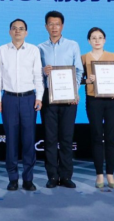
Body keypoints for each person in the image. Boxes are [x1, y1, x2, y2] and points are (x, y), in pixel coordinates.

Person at [0, 19, 43, 192]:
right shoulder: (1, 50)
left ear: (26, 32)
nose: (18, 31)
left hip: (29, 98)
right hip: (9, 99)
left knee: (29, 141)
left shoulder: (33, 50)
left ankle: (28, 179)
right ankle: (13, 178)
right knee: (11, 141)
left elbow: (38, 76)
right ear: (9, 32)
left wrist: (39, 97)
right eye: (14, 28)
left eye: (21, 29)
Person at [36, 10, 84, 189]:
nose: (54, 27)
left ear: (62, 26)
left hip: (68, 97)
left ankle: (66, 176)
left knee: (66, 138)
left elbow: (78, 70)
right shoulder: (39, 48)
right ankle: (52, 176)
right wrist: (43, 71)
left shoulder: (72, 45)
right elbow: (35, 74)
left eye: (57, 24)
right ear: (46, 26)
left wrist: (75, 91)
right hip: (48, 96)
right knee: (49, 139)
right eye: (51, 24)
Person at [80, 27, 114, 189]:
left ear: (105, 40)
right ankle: (99, 174)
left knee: (110, 137)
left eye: (100, 37)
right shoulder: (84, 57)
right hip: (94, 100)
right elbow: (77, 79)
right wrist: (87, 80)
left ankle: (110, 173)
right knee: (97, 136)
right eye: (93, 38)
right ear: (89, 41)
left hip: (111, 101)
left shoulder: (113, 56)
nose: (97, 40)